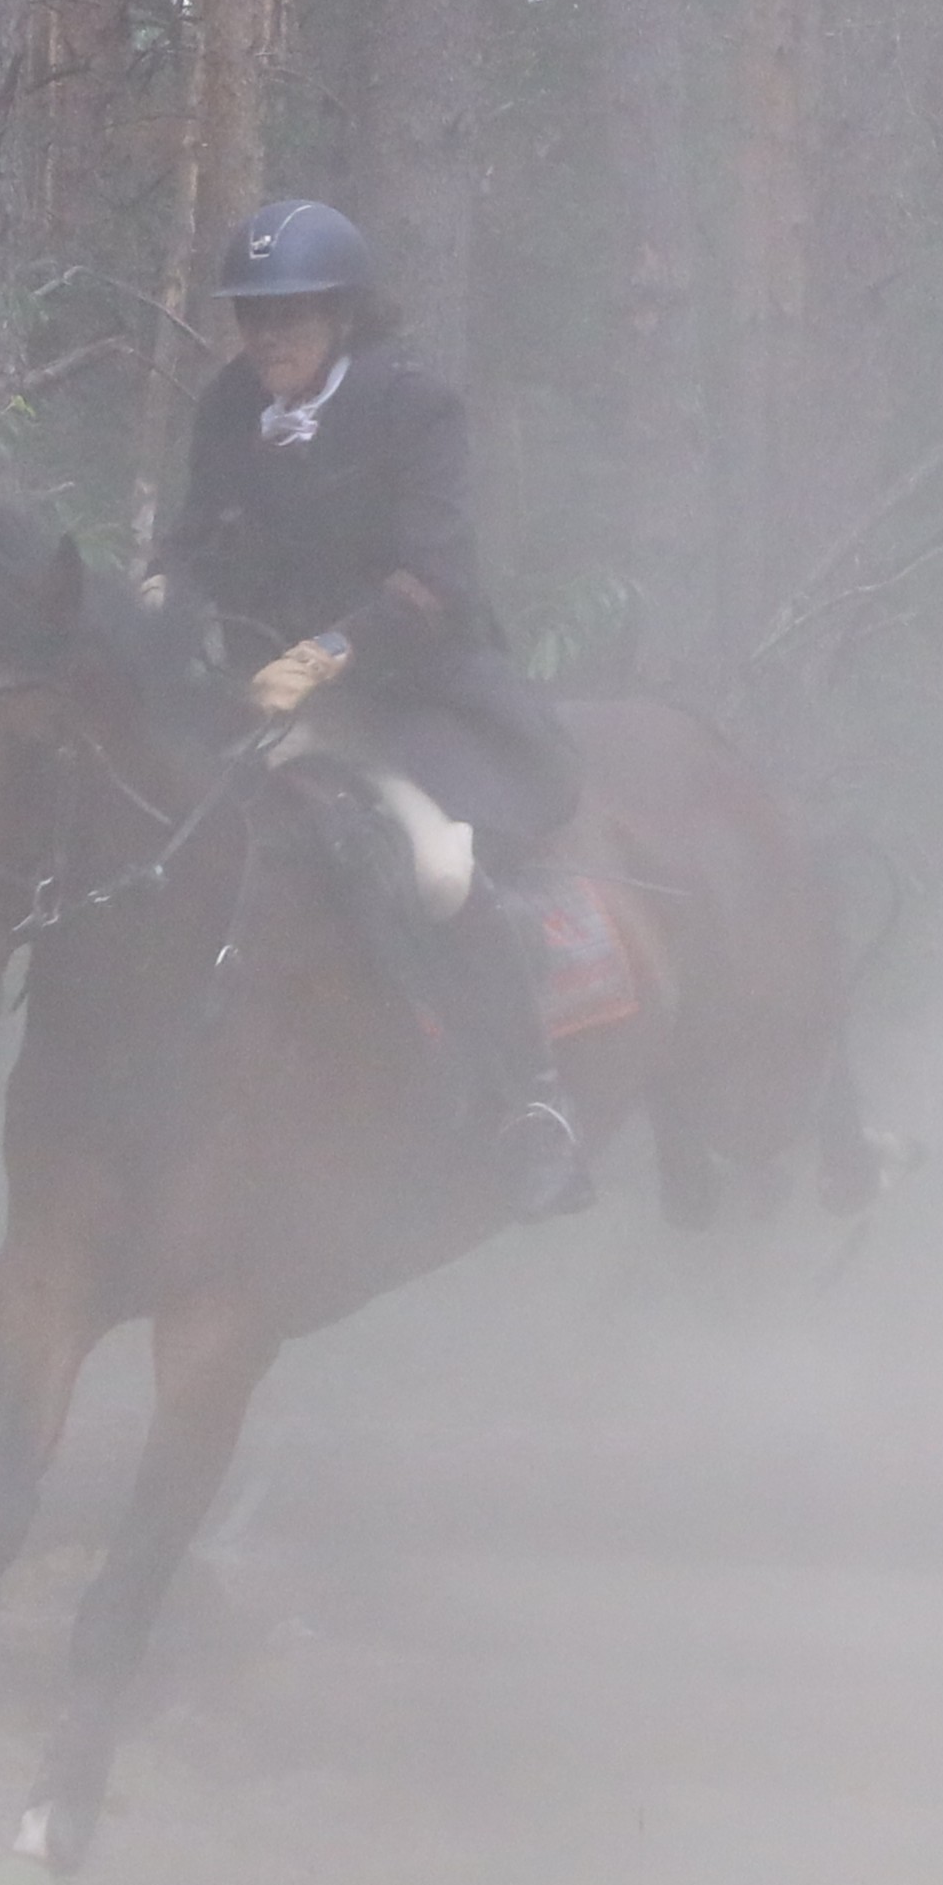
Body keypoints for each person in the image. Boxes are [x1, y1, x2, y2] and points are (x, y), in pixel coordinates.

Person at [159, 198, 594, 1219]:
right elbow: (194, 539)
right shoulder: (228, 405)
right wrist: (153, 590)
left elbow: (434, 582)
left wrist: (324, 655)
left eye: (290, 315)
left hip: (409, 699)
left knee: (438, 871)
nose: (267, 336)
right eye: (253, 315)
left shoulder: (414, 405)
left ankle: (531, 1103)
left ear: (342, 314)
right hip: (265, 701)